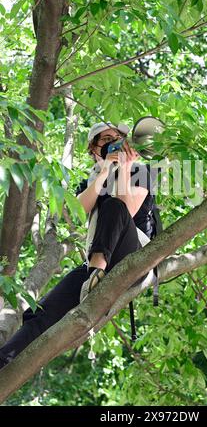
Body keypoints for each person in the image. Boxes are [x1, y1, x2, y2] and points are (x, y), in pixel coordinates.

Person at [0, 121, 156, 370]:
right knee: (39, 314)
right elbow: (74, 215)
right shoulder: (91, 182)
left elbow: (126, 209)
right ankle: (3, 362)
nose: (114, 142)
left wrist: (124, 169)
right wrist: (104, 172)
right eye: (106, 140)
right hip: (95, 262)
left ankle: (95, 274)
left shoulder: (142, 172)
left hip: (132, 256)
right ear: (93, 150)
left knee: (114, 206)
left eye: (118, 138)